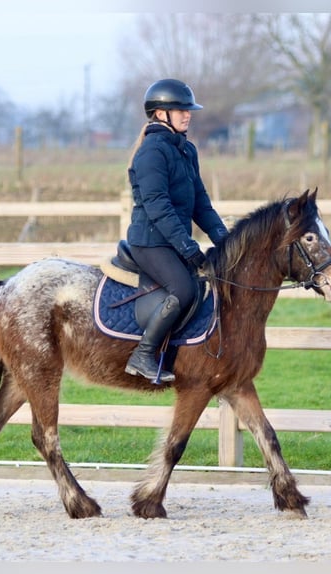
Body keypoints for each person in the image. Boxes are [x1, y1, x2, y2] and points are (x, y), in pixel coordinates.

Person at [124, 78, 229, 384]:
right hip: (150, 242)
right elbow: (158, 208)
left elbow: (201, 204)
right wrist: (189, 249)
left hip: (172, 240)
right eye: (180, 109)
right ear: (160, 114)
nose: (187, 114)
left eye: (188, 109)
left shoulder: (186, 151)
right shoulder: (151, 153)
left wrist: (226, 241)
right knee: (183, 289)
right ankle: (142, 354)